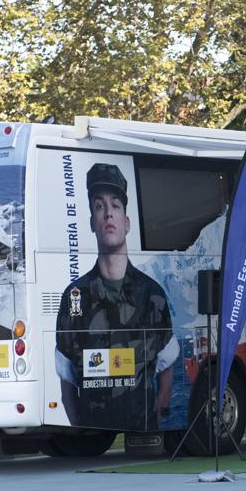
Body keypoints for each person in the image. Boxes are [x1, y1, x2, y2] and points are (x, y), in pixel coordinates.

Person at [54, 162, 177, 431]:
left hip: (144, 427)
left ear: (127, 222)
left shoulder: (152, 294)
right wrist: (81, 431)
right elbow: (66, 382)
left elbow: (167, 370)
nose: (108, 214)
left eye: (116, 205)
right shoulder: (75, 296)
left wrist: (155, 420)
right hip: (91, 431)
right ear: (91, 222)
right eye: (99, 206)